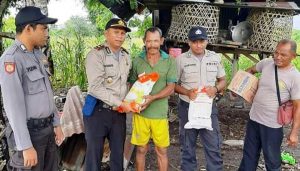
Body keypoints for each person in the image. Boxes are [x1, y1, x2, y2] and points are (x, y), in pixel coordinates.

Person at [0, 6, 64, 171]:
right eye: (43, 28)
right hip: (30, 134)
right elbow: (13, 106)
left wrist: (56, 123)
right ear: (28, 29)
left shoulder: (37, 55)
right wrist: (25, 146)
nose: (47, 33)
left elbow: (47, 92)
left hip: (47, 130)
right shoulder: (12, 59)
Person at [238, 39, 300, 171]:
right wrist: (241, 87)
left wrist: (294, 132)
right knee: (248, 157)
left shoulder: (295, 77)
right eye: (276, 53)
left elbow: (297, 106)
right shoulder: (266, 63)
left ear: (293, 56)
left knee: (272, 162)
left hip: (272, 125)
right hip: (254, 119)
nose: (277, 57)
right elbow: (250, 70)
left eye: (283, 55)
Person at [83, 18, 133, 171]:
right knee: (94, 156)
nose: (120, 36)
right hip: (98, 112)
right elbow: (95, 88)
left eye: (123, 33)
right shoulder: (96, 55)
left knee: (117, 155)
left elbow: (124, 84)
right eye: (116, 32)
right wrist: (120, 104)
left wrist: (133, 99)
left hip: (118, 114)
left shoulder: (126, 56)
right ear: (106, 34)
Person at [175, 26, 226, 171]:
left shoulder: (215, 58)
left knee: (213, 146)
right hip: (187, 108)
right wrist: (186, 92)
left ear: (207, 41)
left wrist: (215, 89)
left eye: (202, 41)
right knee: (187, 146)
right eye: (194, 41)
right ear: (188, 42)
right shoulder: (180, 59)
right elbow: (173, 85)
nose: (198, 45)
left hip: (209, 109)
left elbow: (223, 80)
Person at [129, 27, 177, 171]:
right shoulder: (137, 61)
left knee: (161, 151)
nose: (152, 44)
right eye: (149, 41)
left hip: (160, 114)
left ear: (161, 41)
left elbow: (171, 87)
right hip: (141, 114)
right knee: (141, 149)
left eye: (156, 41)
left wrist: (153, 97)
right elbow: (132, 85)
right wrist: (134, 102)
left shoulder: (169, 61)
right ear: (144, 41)